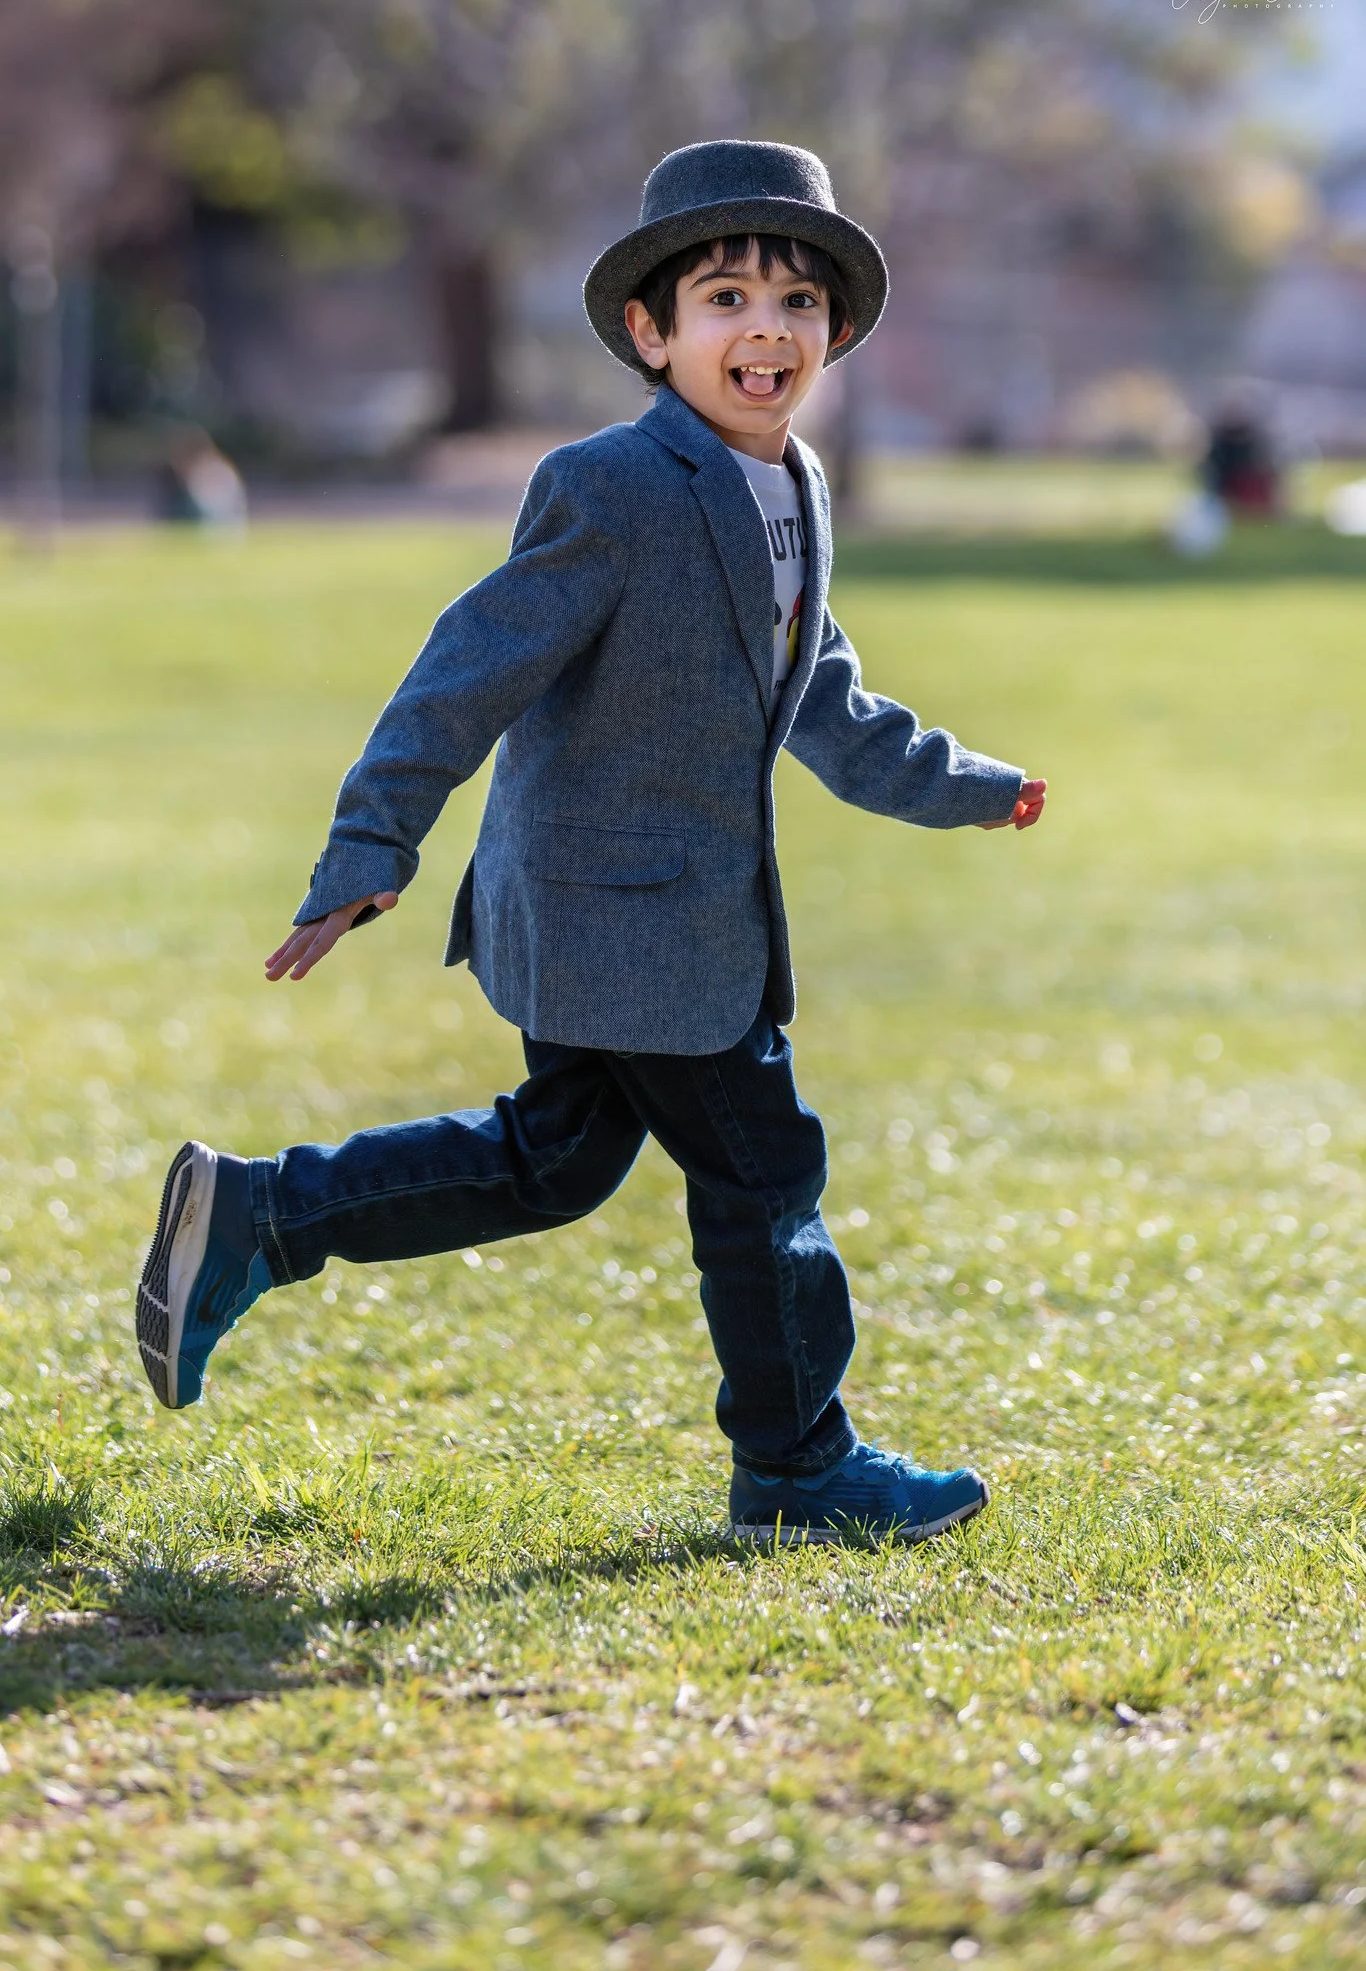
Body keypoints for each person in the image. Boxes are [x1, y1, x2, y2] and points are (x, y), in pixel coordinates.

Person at [135, 141, 1047, 1544]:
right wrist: (372, 841)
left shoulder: (789, 485)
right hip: (621, 918)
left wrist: (968, 784)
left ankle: (260, 1215)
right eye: (726, 296)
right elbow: (465, 669)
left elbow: (826, 698)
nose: (764, 328)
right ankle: (798, 1469)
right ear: (651, 331)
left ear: (834, 333)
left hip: (648, 927)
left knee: (550, 1162)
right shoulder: (611, 488)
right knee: (762, 1178)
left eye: (797, 303)